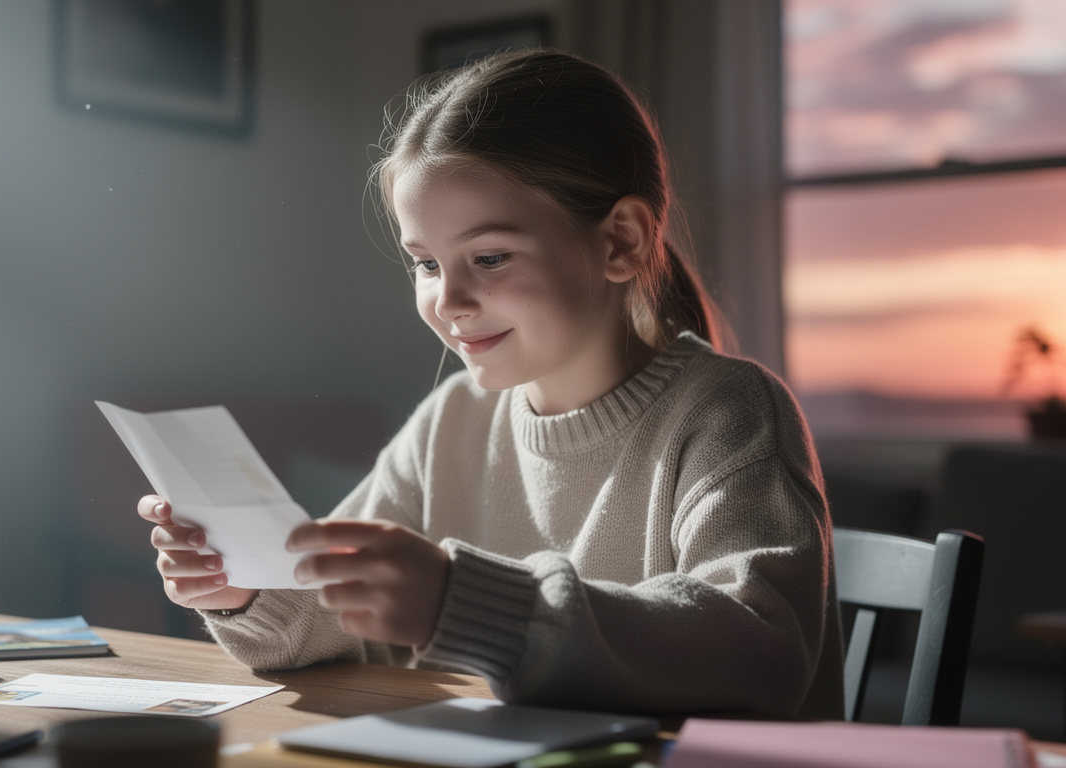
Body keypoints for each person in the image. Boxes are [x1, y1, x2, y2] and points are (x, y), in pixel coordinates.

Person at [138, 49, 844, 718]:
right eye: (425, 264)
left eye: (490, 256)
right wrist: (246, 591)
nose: (448, 300)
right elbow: (336, 618)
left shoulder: (729, 412)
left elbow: (761, 654)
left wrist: (464, 603)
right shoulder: (453, 421)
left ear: (622, 241)